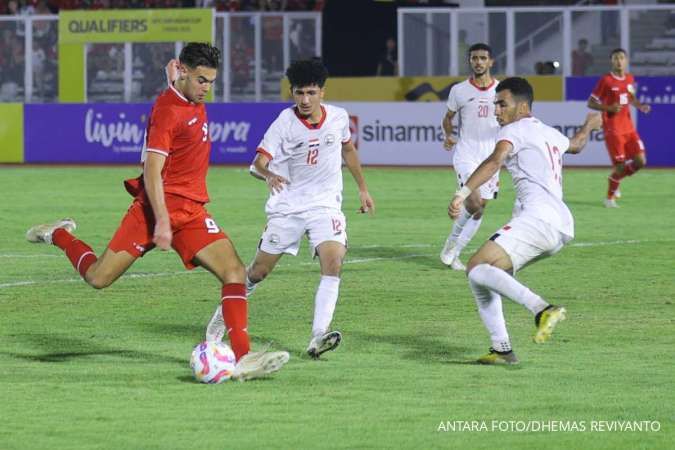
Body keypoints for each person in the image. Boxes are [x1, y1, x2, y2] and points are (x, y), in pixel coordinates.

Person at [25, 42, 289, 382]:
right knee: (98, 278)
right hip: (152, 213)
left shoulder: (185, 93)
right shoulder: (167, 112)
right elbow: (151, 171)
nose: (206, 88)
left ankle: (244, 357)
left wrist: (175, 77)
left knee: (235, 272)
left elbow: (178, 86)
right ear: (185, 73)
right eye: (201, 80)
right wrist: (161, 222)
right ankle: (58, 234)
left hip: (191, 213)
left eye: (210, 81)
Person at [206, 58, 375, 359]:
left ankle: (318, 336)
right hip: (288, 207)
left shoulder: (338, 117)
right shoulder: (284, 122)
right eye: (299, 93)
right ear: (292, 93)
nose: (305, 99)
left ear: (322, 92)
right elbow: (259, 161)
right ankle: (222, 318)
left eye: (311, 93)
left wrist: (362, 188)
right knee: (257, 272)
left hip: (325, 205)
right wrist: (269, 174)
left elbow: (348, 148)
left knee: (333, 261)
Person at [448, 77, 602, 365]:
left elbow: (495, 161)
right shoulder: (549, 132)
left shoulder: (514, 130)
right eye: (495, 104)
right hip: (559, 226)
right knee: (484, 277)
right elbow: (578, 145)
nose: (496, 110)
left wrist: (463, 192)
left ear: (522, 107)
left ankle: (543, 309)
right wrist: (590, 125)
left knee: (475, 266)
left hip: (538, 218)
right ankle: (501, 348)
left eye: (502, 104)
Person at [440, 43, 500, 271]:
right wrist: (448, 134)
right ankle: (450, 244)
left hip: (491, 157)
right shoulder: (459, 90)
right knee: (473, 201)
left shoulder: (502, 90)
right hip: (466, 153)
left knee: (480, 207)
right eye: (474, 58)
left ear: (491, 62)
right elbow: (448, 117)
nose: (478, 62)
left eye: (483, 58)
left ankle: (455, 251)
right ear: (470, 61)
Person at [587, 48, 651, 208]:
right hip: (613, 129)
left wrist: (640, 106)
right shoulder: (606, 80)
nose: (619, 61)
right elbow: (591, 102)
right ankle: (609, 199)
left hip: (629, 128)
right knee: (620, 166)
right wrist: (608, 108)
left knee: (640, 161)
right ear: (611, 61)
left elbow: (631, 98)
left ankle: (615, 179)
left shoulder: (629, 78)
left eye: (622, 58)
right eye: (616, 58)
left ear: (626, 60)